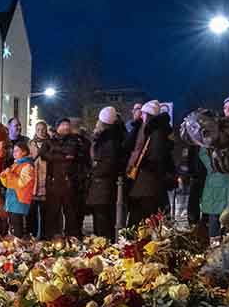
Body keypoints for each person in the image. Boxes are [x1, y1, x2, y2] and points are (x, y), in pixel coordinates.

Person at [199, 95, 229, 238]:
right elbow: (203, 151)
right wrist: (214, 165)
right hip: (216, 181)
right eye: (225, 107)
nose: (228, 110)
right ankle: (214, 248)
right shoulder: (217, 127)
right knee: (214, 219)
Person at [125, 100, 175, 226]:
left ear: (148, 115)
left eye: (143, 113)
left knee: (143, 218)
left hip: (148, 182)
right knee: (141, 217)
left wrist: (144, 165)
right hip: (145, 182)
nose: (141, 116)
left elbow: (156, 158)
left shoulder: (156, 132)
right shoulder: (150, 129)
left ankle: (139, 243)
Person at [41, 118, 87, 238]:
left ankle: (71, 238)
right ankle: (52, 238)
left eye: (68, 125)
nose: (66, 127)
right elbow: (44, 155)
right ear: (57, 127)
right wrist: (62, 154)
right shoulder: (49, 141)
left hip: (69, 182)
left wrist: (54, 151)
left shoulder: (74, 140)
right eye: (63, 125)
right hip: (53, 182)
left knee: (70, 213)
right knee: (52, 213)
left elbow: (71, 152)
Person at [87, 107, 125, 241]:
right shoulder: (109, 137)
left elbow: (108, 163)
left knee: (103, 218)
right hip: (101, 183)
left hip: (103, 184)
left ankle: (104, 245)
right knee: (101, 216)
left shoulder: (109, 140)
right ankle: (102, 243)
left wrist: (95, 171)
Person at [0, 140, 35, 238]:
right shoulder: (14, 165)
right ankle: (15, 245)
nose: (14, 153)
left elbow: (21, 183)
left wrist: (10, 174)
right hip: (12, 199)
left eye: (16, 151)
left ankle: (20, 245)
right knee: (12, 223)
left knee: (18, 224)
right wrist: (3, 177)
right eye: (13, 151)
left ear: (24, 152)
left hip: (20, 200)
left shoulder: (27, 166)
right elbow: (8, 184)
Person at [28, 121, 51, 239]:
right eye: (38, 129)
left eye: (43, 129)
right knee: (32, 213)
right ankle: (32, 235)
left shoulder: (50, 143)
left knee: (45, 212)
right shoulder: (31, 144)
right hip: (33, 183)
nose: (41, 132)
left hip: (45, 182)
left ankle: (45, 235)